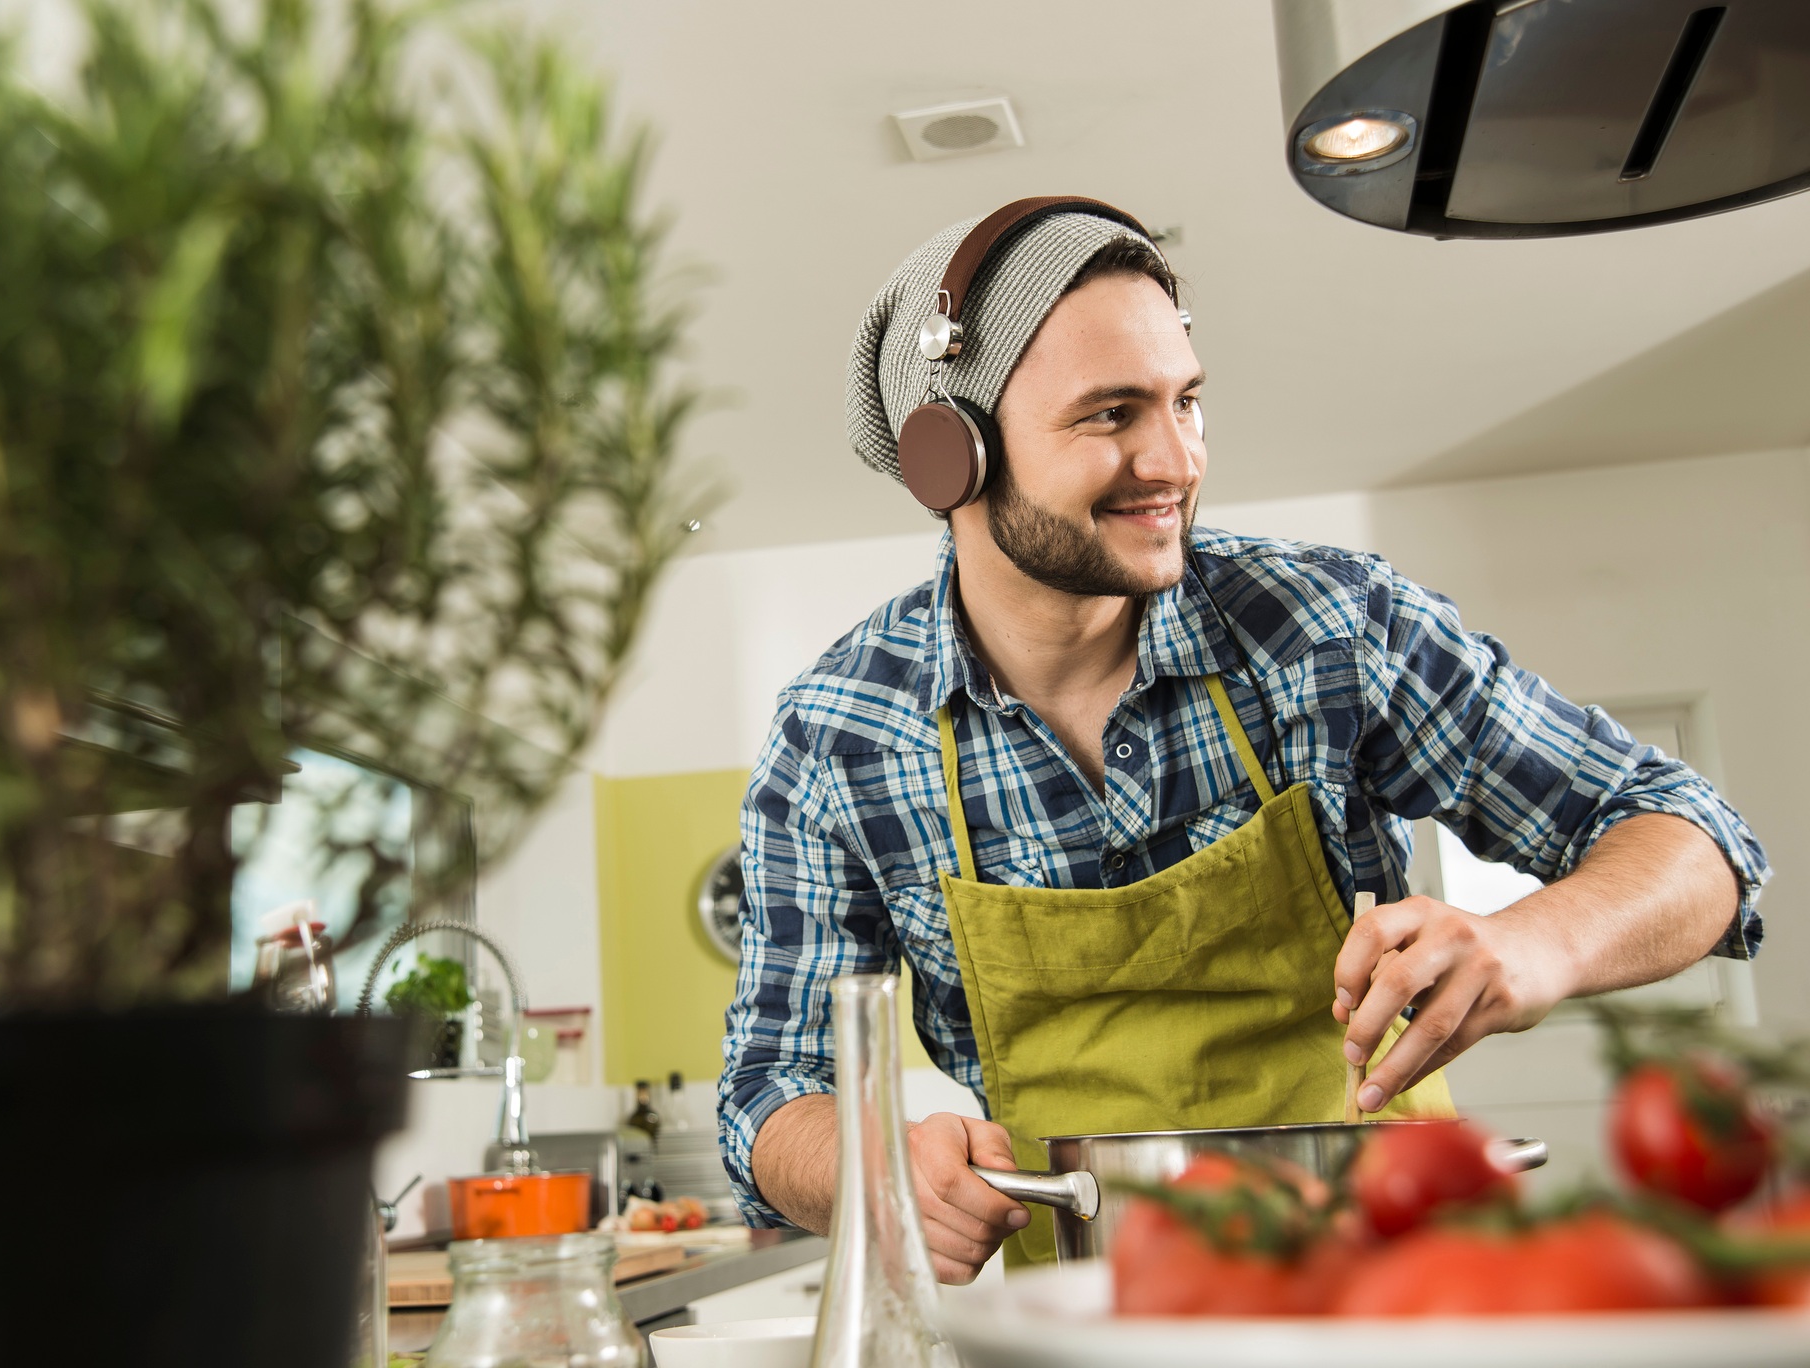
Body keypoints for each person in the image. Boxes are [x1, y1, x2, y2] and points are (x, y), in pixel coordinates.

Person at [717, 198, 1767, 1278]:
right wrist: (874, 1163)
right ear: (952, 455)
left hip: (1395, 1286)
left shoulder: (1328, 626)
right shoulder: (834, 738)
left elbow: (1696, 839)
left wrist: (1531, 942)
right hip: (1087, 1319)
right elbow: (766, 1097)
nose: (1172, 458)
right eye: (1110, 414)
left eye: (1186, 402)